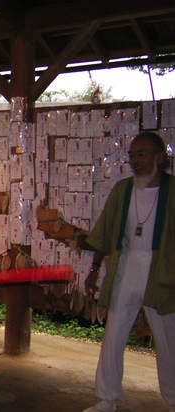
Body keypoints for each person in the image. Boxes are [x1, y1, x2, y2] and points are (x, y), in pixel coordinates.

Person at [81, 132, 175, 412]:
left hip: (163, 274)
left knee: (168, 342)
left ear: (160, 158)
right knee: (114, 334)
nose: (135, 161)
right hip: (126, 268)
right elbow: (106, 234)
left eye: (142, 154)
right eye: (132, 155)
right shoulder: (122, 190)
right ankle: (106, 400)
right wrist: (95, 269)